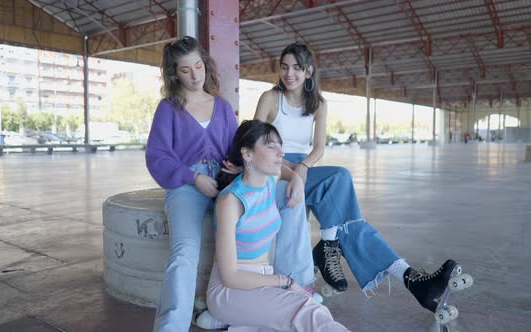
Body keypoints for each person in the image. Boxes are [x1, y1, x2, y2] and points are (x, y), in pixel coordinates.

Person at [254, 42, 461, 315]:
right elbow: (254, 141)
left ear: (309, 71)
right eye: (284, 67)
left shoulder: (318, 103)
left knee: (341, 187)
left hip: (300, 168)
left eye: (297, 67)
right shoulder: (270, 98)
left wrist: (303, 167)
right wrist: (293, 169)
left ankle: (400, 273)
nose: (289, 73)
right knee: (339, 180)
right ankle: (395, 273)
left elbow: (318, 147)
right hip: (273, 168)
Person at [145, 36, 315, 332]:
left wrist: (294, 176)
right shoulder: (168, 109)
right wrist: (194, 178)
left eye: (198, 66)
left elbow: (240, 147)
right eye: (185, 70)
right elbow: (157, 156)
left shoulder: (222, 107)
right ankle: (171, 326)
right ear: (174, 74)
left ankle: (293, 288)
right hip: (186, 186)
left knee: (289, 202)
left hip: (228, 181)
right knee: (185, 250)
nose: (195, 75)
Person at [206, 119, 351, 331]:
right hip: (230, 290)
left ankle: (240, 321)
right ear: (247, 154)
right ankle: (231, 315)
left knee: (299, 316)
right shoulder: (231, 202)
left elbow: (284, 170)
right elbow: (230, 276)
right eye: (271, 146)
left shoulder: (269, 178)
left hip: (263, 280)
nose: (280, 152)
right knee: (309, 311)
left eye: (280, 145)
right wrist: (287, 282)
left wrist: (297, 179)